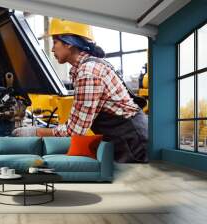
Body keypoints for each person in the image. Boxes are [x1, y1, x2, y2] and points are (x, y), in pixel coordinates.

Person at [12, 19, 148, 163]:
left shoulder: (88, 73)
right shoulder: (84, 68)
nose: (52, 49)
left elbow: (75, 131)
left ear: (69, 43)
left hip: (133, 143)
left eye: (55, 43)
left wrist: (36, 132)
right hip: (124, 138)